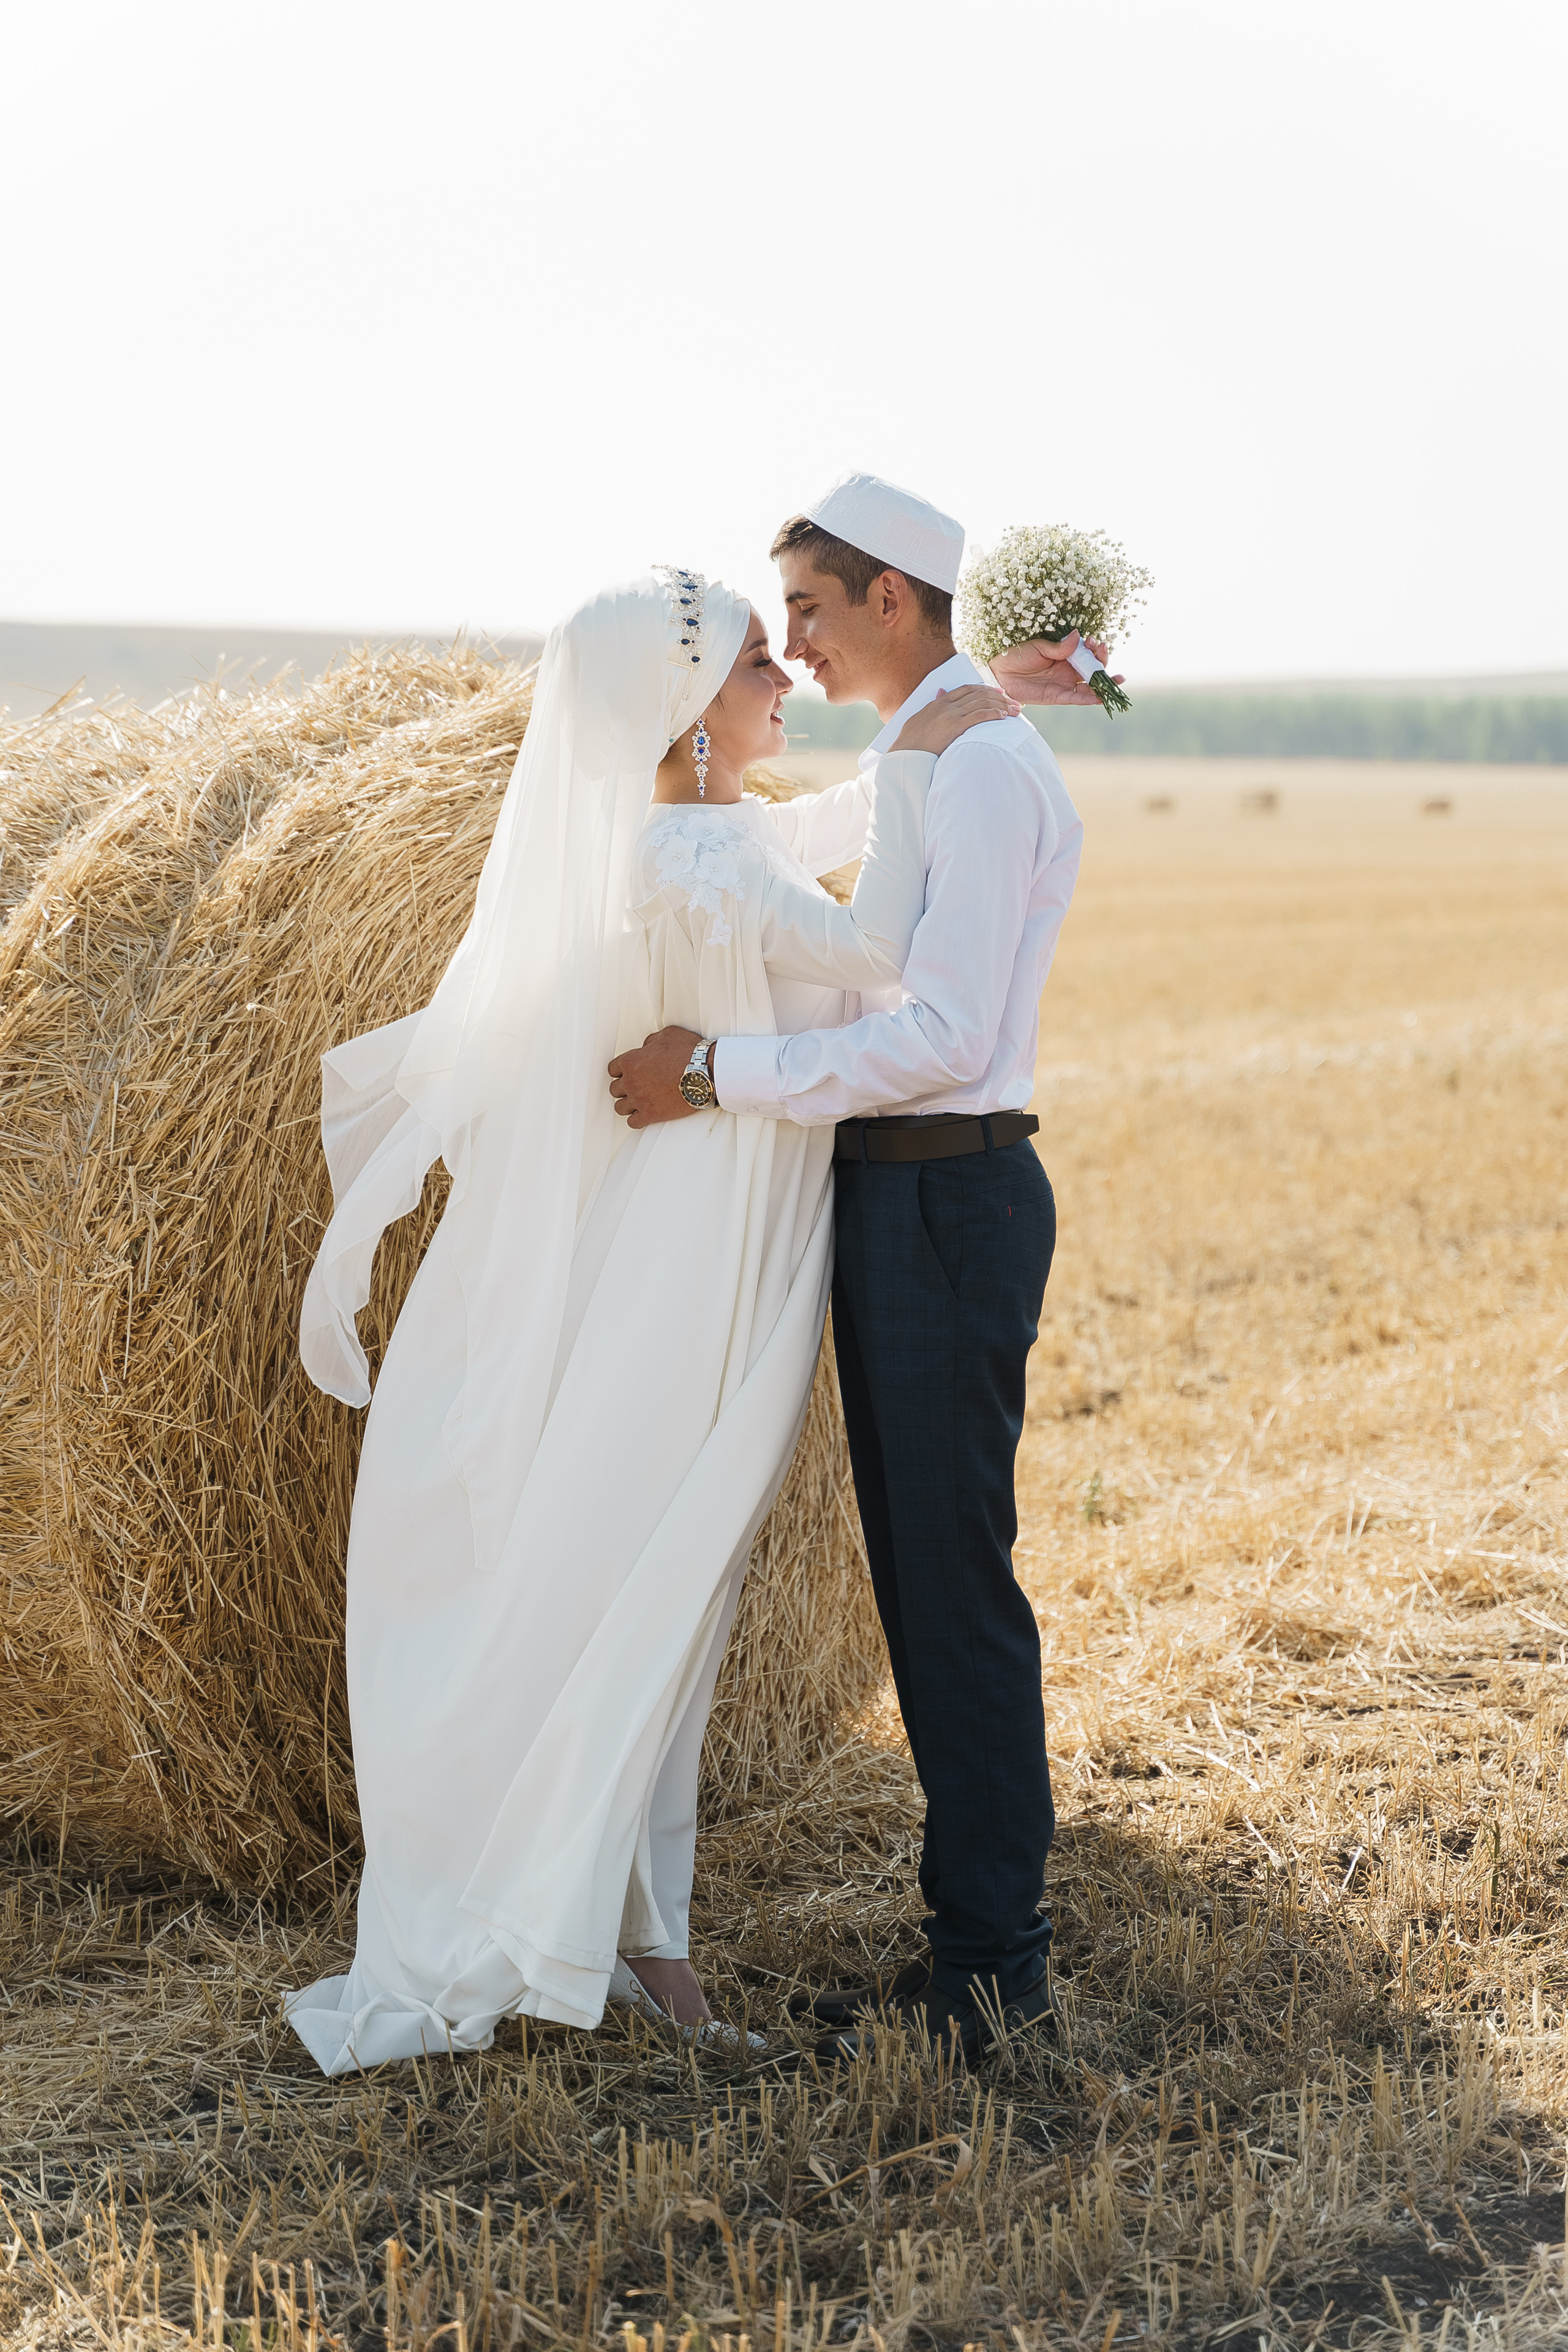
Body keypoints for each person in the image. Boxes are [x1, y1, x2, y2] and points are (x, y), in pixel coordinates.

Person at [284, 564, 1015, 2073]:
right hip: (691, 1276)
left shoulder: (692, 837)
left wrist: (972, 700)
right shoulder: (691, 854)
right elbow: (877, 949)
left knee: (670, 1579)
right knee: (663, 1576)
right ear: (685, 709)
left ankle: (641, 1942)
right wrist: (946, 729)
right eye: (758, 657)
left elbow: (807, 836)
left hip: (712, 1247)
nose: (784, 678)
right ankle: (611, 1937)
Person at [606, 472, 1102, 2064]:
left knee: (952, 1593)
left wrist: (708, 1077)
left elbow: (942, 1034)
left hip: (946, 1199)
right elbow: (850, 851)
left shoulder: (973, 768)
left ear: (894, 597)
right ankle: (972, 1948)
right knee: (924, 1584)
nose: (796, 647)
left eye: (811, 609)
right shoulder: (940, 747)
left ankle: (994, 1972)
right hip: (904, 1201)